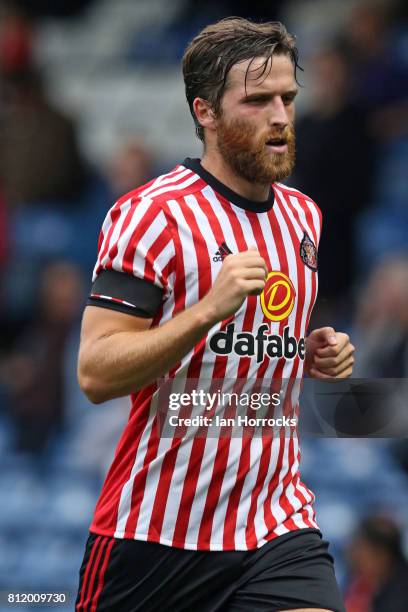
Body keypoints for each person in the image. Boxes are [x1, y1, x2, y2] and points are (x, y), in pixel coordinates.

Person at [75, 17, 355, 612]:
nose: (280, 115)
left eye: (287, 98)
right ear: (205, 111)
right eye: (257, 100)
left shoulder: (305, 216)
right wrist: (206, 311)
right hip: (157, 532)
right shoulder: (151, 216)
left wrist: (310, 349)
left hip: (275, 525)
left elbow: (253, 346)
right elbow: (96, 372)